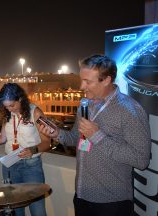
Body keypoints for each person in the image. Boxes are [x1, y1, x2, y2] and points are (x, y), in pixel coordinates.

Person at [39, 54, 151, 216]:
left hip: (112, 203)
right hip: (82, 197)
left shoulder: (130, 110)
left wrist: (97, 136)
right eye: (81, 79)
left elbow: (141, 160)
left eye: (88, 82)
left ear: (106, 80)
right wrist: (57, 133)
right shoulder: (85, 104)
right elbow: (76, 139)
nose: (81, 86)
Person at [0, 83, 51, 216]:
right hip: (10, 165)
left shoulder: (35, 112)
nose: (9, 109)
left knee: (37, 209)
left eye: (12, 105)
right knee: (15, 210)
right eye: (6, 106)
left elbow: (47, 142)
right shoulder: (7, 115)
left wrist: (32, 150)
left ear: (21, 99)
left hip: (31, 166)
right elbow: (2, 139)